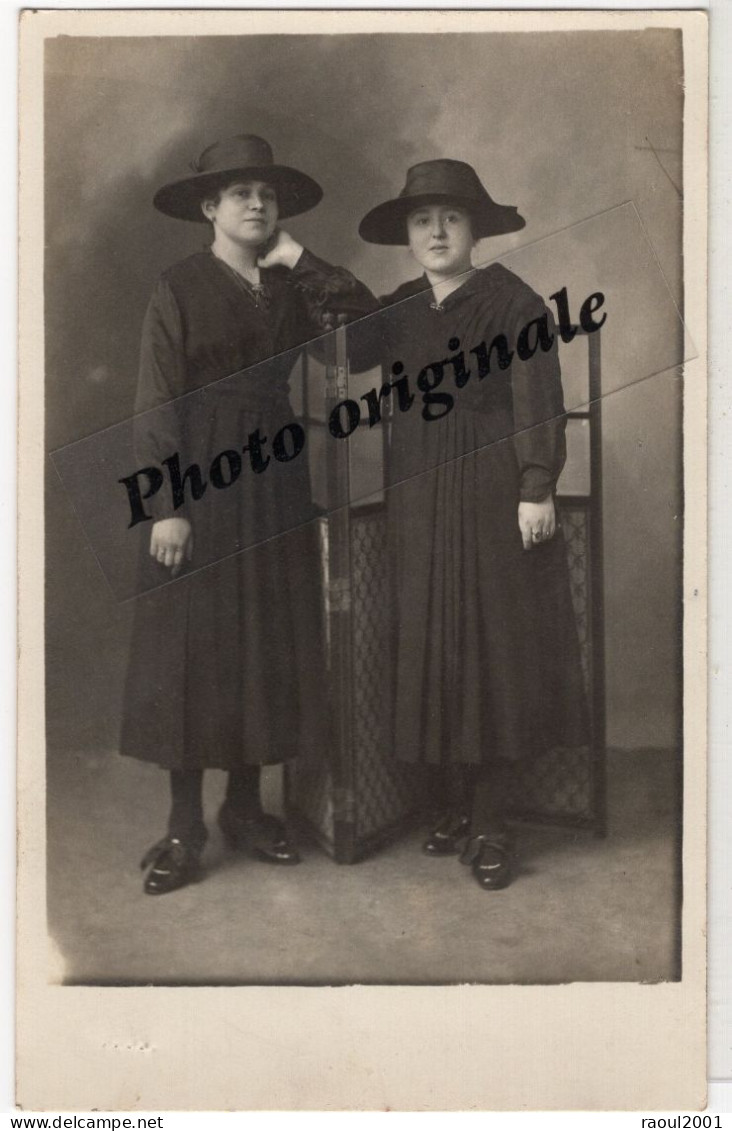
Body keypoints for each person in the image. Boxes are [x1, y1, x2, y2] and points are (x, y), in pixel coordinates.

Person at [121, 134, 378, 894]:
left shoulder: (292, 287)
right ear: (210, 207)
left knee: (263, 640)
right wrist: (166, 505)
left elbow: (366, 335)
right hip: (198, 477)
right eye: (241, 194)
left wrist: (302, 262)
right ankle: (183, 822)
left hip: (273, 478)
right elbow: (155, 401)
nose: (258, 204)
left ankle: (242, 807)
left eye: (267, 194)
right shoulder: (178, 285)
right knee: (191, 648)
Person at [356, 159, 589, 890]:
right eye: (422, 219)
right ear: (407, 233)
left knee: (491, 641)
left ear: (474, 229)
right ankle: (452, 803)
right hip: (419, 490)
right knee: (435, 637)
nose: (435, 231)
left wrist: (535, 483)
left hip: (493, 487)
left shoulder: (513, 304)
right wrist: (300, 262)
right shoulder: (396, 308)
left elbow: (537, 400)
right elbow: (344, 341)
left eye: (450, 218)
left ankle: (491, 819)